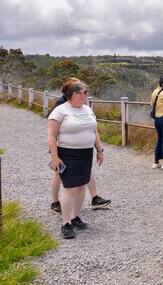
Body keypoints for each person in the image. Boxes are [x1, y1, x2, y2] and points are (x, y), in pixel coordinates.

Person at [47, 81, 105, 239]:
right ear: (76, 94)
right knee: (71, 188)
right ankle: (65, 223)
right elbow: (51, 135)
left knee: (81, 186)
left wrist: (99, 150)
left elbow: (94, 131)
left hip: (85, 153)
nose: (87, 95)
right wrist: (55, 157)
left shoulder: (87, 109)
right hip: (68, 153)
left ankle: (74, 216)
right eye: (85, 92)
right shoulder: (60, 111)